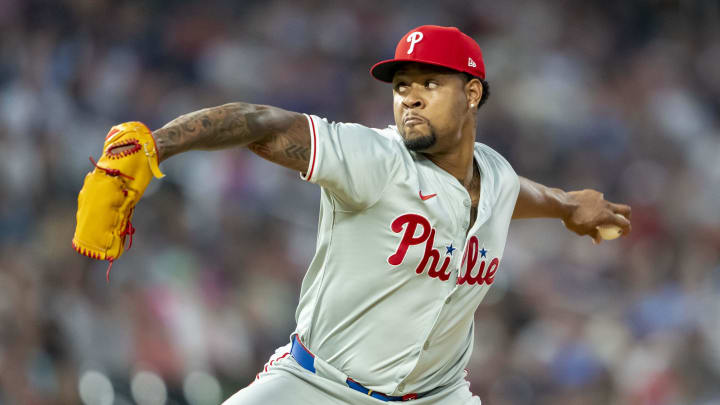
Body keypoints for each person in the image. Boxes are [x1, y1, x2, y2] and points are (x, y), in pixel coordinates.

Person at [127, 25, 632, 404]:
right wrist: (156, 147)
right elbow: (259, 123)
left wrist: (568, 207)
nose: (409, 96)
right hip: (320, 386)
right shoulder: (374, 159)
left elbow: (516, 193)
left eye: (429, 83)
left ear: (472, 93)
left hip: (438, 396)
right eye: (401, 85)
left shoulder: (495, 175)